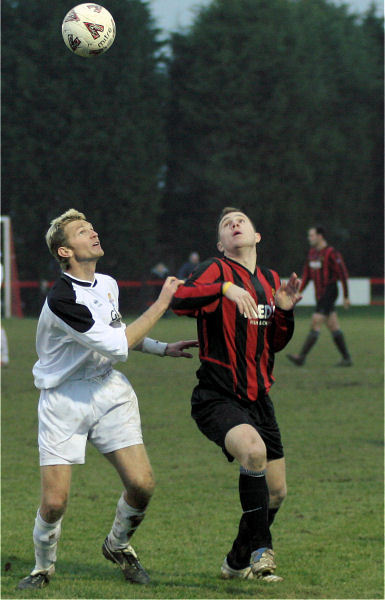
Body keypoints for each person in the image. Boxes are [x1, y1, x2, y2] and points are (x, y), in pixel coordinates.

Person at [17, 209, 197, 591]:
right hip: (63, 400)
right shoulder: (62, 298)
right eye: (83, 232)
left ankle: (118, 546)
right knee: (54, 503)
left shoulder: (108, 284)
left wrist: (163, 348)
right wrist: (163, 302)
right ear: (65, 252)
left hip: (108, 391)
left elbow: (117, 331)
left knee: (142, 484)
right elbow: (117, 345)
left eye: (92, 227)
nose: (93, 233)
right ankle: (42, 569)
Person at [171, 207, 302, 583]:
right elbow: (180, 298)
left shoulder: (270, 280)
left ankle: (236, 560)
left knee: (276, 492)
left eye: (242, 221)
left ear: (256, 236)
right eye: (226, 225)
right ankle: (262, 552)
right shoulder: (216, 270)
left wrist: (286, 312)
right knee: (253, 451)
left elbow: (275, 341)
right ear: (220, 243)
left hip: (259, 399)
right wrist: (225, 289)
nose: (234, 224)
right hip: (217, 395)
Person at [287, 226, 352, 367]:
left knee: (316, 321)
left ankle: (301, 357)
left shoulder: (331, 253)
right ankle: (347, 358)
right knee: (333, 325)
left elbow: (343, 274)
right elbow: (307, 275)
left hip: (329, 291)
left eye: (311, 235)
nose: (309, 238)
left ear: (320, 236)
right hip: (320, 294)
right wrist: (299, 291)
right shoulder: (312, 254)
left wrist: (346, 296)